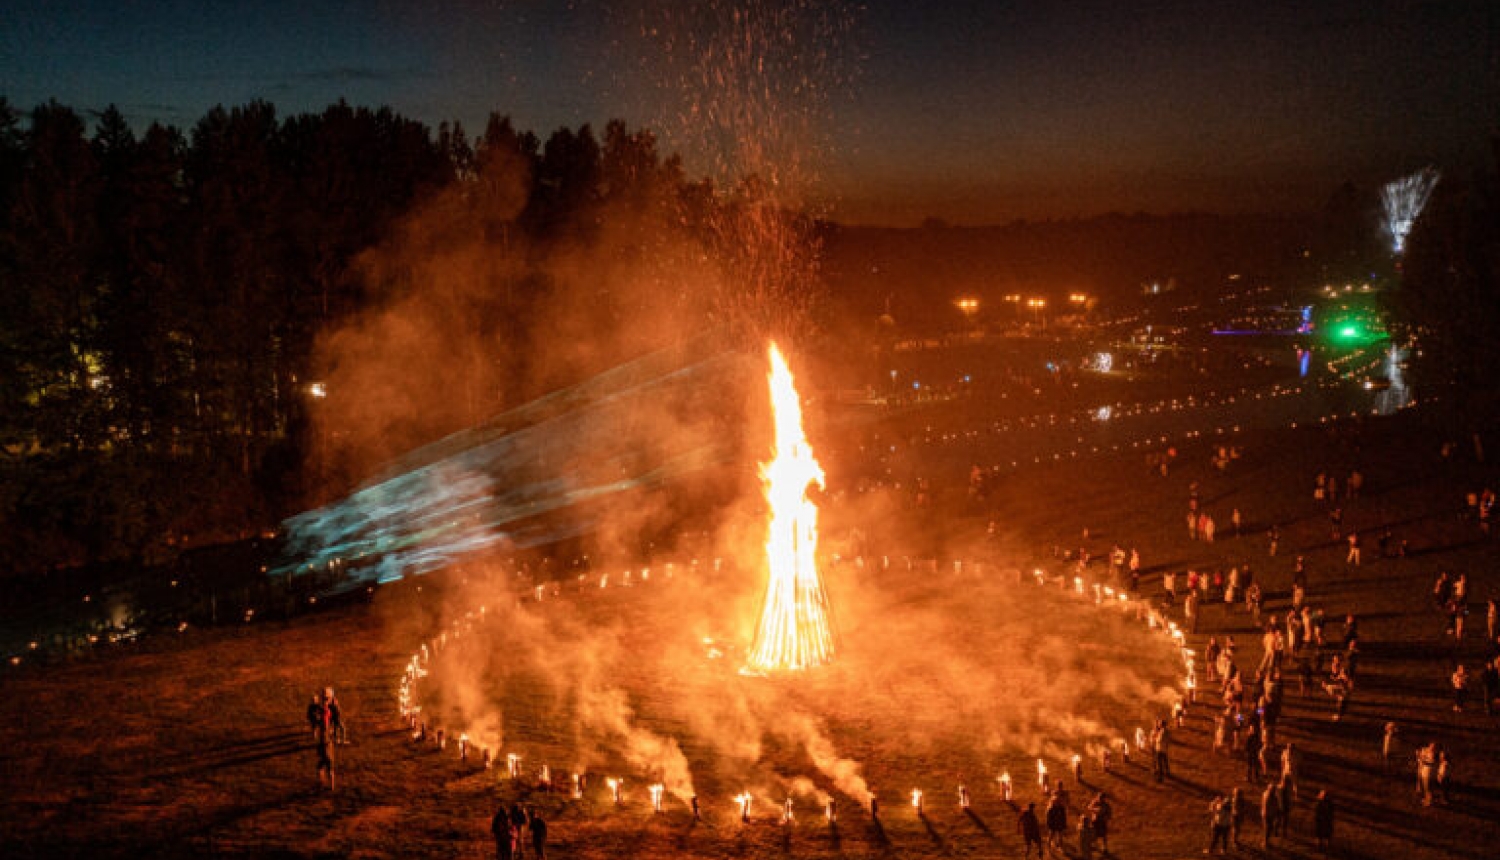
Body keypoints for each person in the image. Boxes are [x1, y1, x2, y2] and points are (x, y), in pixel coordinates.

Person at [1260, 781, 1280, 849]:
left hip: (1265, 814)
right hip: (1268, 815)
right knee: (1268, 829)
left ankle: (1266, 842)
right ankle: (1265, 843)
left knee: (1267, 829)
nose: (1275, 791)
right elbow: (1273, 806)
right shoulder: (1271, 797)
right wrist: (1275, 813)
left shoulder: (1265, 793)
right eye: (1274, 790)